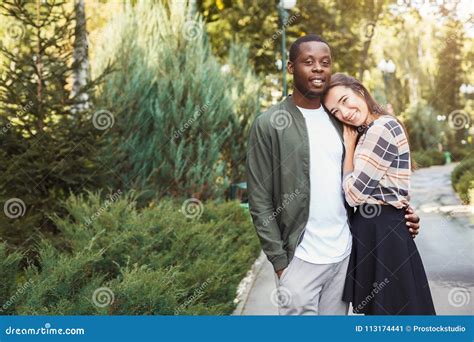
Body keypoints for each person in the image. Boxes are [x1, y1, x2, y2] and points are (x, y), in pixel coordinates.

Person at [246, 34, 421, 315]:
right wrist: (280, 263)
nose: (318, 68)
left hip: (345, 256)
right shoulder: (269, 124)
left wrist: (404, 213)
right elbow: (259, 199)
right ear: (291, 68)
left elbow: (375, 175)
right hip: (299, 260)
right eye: (308, 62)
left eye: (324, 62)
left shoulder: (342, 123)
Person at [323, 73, 436, 315]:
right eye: (335, 111)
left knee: (393, 314)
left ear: (360, 91)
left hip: (382, 233)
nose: (344, 112)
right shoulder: (369, 131)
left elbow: (353, 195)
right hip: (377, 232)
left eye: (345, 100)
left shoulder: (381, 128)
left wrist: (349, 145)